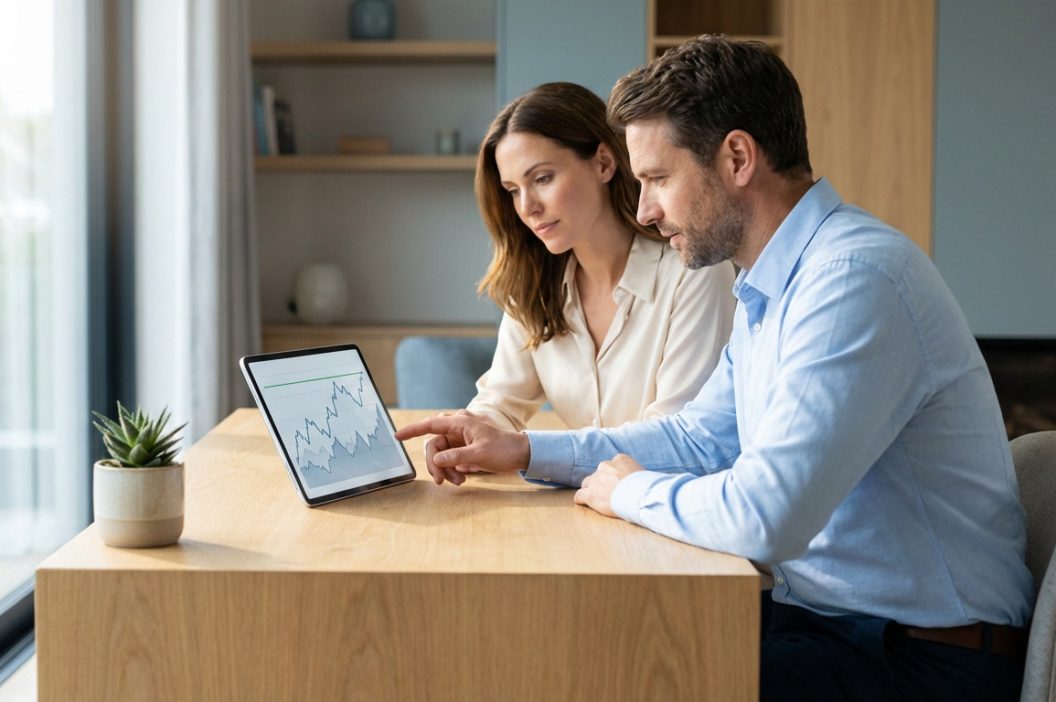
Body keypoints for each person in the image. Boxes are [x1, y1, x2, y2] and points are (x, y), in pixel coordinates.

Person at [396, 36, 1033, 701]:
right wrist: (528, 449)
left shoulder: (852, 279)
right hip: (828, 623)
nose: (643, 209)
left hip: (920, 658)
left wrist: (630, 491)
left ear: (736, 157)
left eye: (658, 179)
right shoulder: (770, 286)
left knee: (613, 678)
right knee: (563, 649)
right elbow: (698, 439)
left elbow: (766, 516)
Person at [433, 82, 733, 478]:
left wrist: (526, 451)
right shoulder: (533, 286)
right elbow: (502, 403)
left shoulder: (694, 275)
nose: (528, 208)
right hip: (590, 508)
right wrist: (465, 438)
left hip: (667, 514)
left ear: (604, 163)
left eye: (542, 179)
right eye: (512, 190)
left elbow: (678, 443)